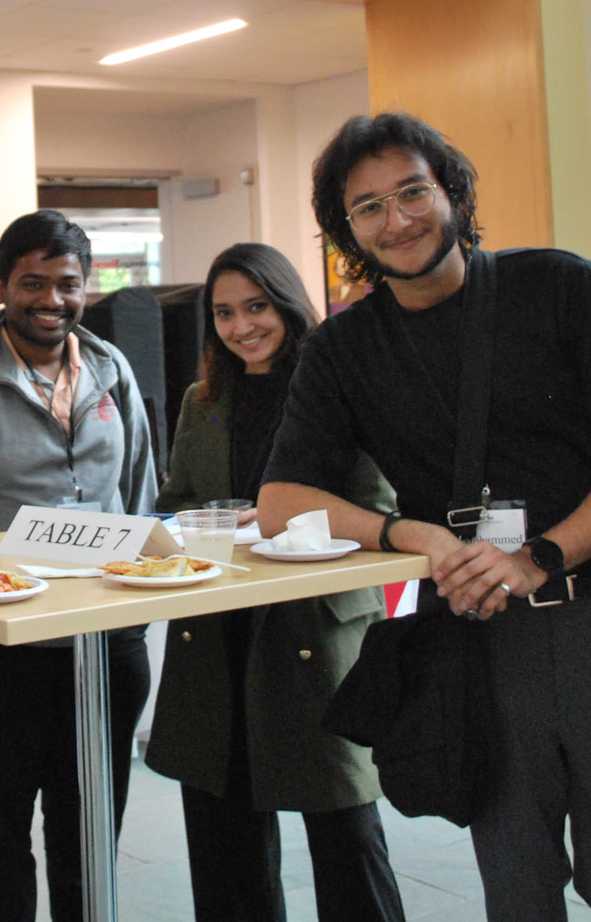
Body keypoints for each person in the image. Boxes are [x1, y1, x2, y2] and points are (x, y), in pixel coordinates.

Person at [259, 112, 591, 922]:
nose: (398, 220)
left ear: (452, 190)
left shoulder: (556, 285)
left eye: (413, 191)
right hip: (477, 640)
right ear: (346, 229)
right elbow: (281, 503)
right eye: (369, 208)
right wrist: (410, 534)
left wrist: (539, 555)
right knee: (517, 889)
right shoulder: (344, 347)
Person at [0, 210, 157, 922]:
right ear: (1, 285)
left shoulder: (111, 368)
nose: (52, 300)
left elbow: (140, 500)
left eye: (68, 284)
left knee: (89, 841)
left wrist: (133, 619)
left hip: (103, 652)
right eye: (32, 283)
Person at [144, 242, 405, 922]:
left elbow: (378, 511)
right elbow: (176, 499)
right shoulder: (203, 401)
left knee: (344, 831)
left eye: (256, 306)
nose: (241, 326)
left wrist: (278, 526)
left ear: (288, 302)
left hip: (310, 624)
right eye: (225, 312)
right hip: (216, 632)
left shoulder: (340, 386)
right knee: (222, 832)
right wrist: (186, 522)